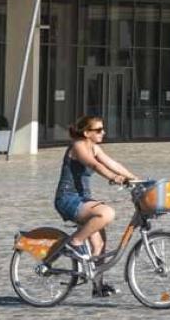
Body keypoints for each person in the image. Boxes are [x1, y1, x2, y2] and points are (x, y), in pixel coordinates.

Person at [53, 115, 140, 297]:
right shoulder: (78, 145)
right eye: (98, 130)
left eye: (102, 129)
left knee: (100, 243)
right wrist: (114, 178)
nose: (103, 132)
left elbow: (112, 163)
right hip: (68, 199)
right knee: (106, 213)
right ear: (86, 133)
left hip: (83, 199)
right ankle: (74, 243)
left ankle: (98, 287)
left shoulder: (94, 147)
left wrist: (136, 179)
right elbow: (93, 164)